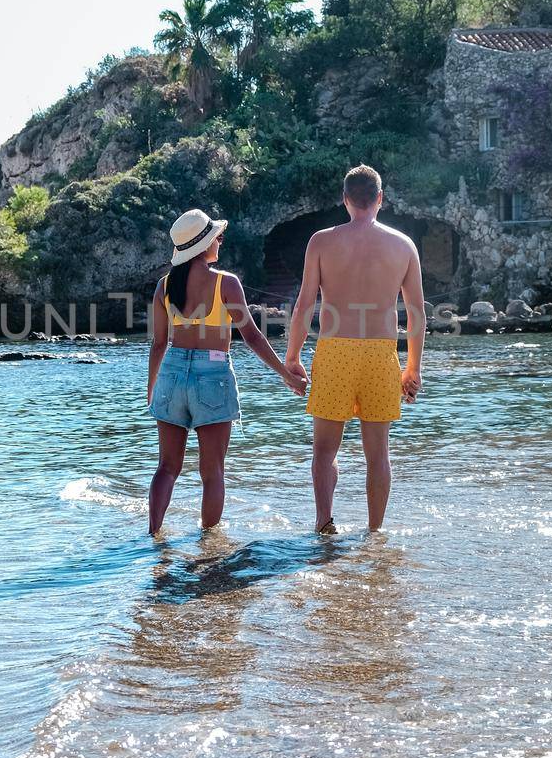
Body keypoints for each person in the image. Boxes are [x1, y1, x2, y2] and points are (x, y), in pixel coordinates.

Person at [284, 165, 425, 534]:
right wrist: (412, 367)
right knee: (378, 454)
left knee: (324, 451)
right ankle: (374, 533)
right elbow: (417, 314)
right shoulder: (403, 245)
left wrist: (293, 357)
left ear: (345, 199)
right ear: (380, 198)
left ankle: (323, 521)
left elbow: (304, 306)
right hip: (381, 354)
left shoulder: (321, 242)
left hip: (334, 352)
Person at [148, 208, 306, 536]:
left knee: (166, 468)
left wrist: (152, 390)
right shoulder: (226, 283)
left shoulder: (164, 286)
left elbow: (159, 344)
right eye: (217, 237)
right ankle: (209, 543)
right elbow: (252, 336)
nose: (221, 241)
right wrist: (286, 375)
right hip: (213, 373)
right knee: (212, 472)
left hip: (172, 374)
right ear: (205, 244)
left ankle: (154, 538)